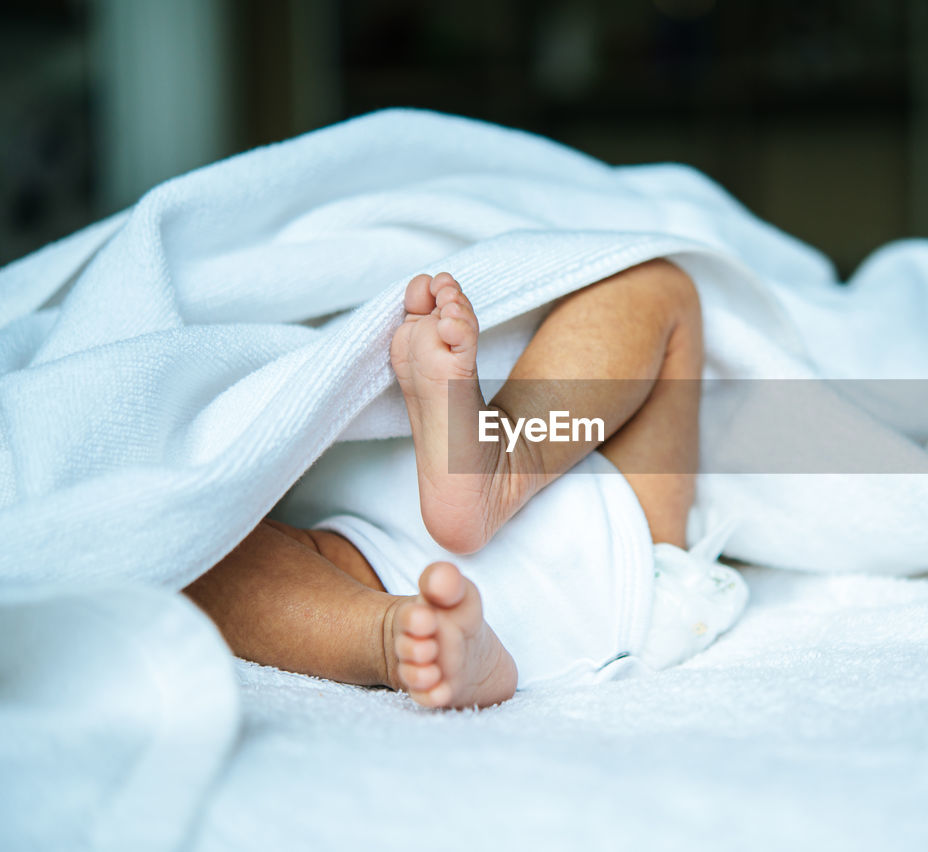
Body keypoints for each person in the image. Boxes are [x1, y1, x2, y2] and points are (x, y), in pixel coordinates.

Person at [183, 258, 707, 709]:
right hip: (627, 559)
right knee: (658, 288)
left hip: (378, 568)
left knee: (184, 546)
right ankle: (507, 460)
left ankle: (385, 633)